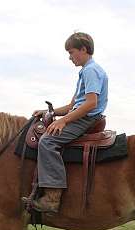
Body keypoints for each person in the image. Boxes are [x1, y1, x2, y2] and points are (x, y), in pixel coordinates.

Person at [30, 32, 108, 213]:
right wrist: (50, 112)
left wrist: (63, 121)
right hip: (80, 114)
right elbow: (74, 105)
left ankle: (52, 197)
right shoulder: (85, 72)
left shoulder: (91, 70)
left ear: (84, 49)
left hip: (87, 118)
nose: (69, 57)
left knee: (48, 141)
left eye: (72, 52)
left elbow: (90, 103)